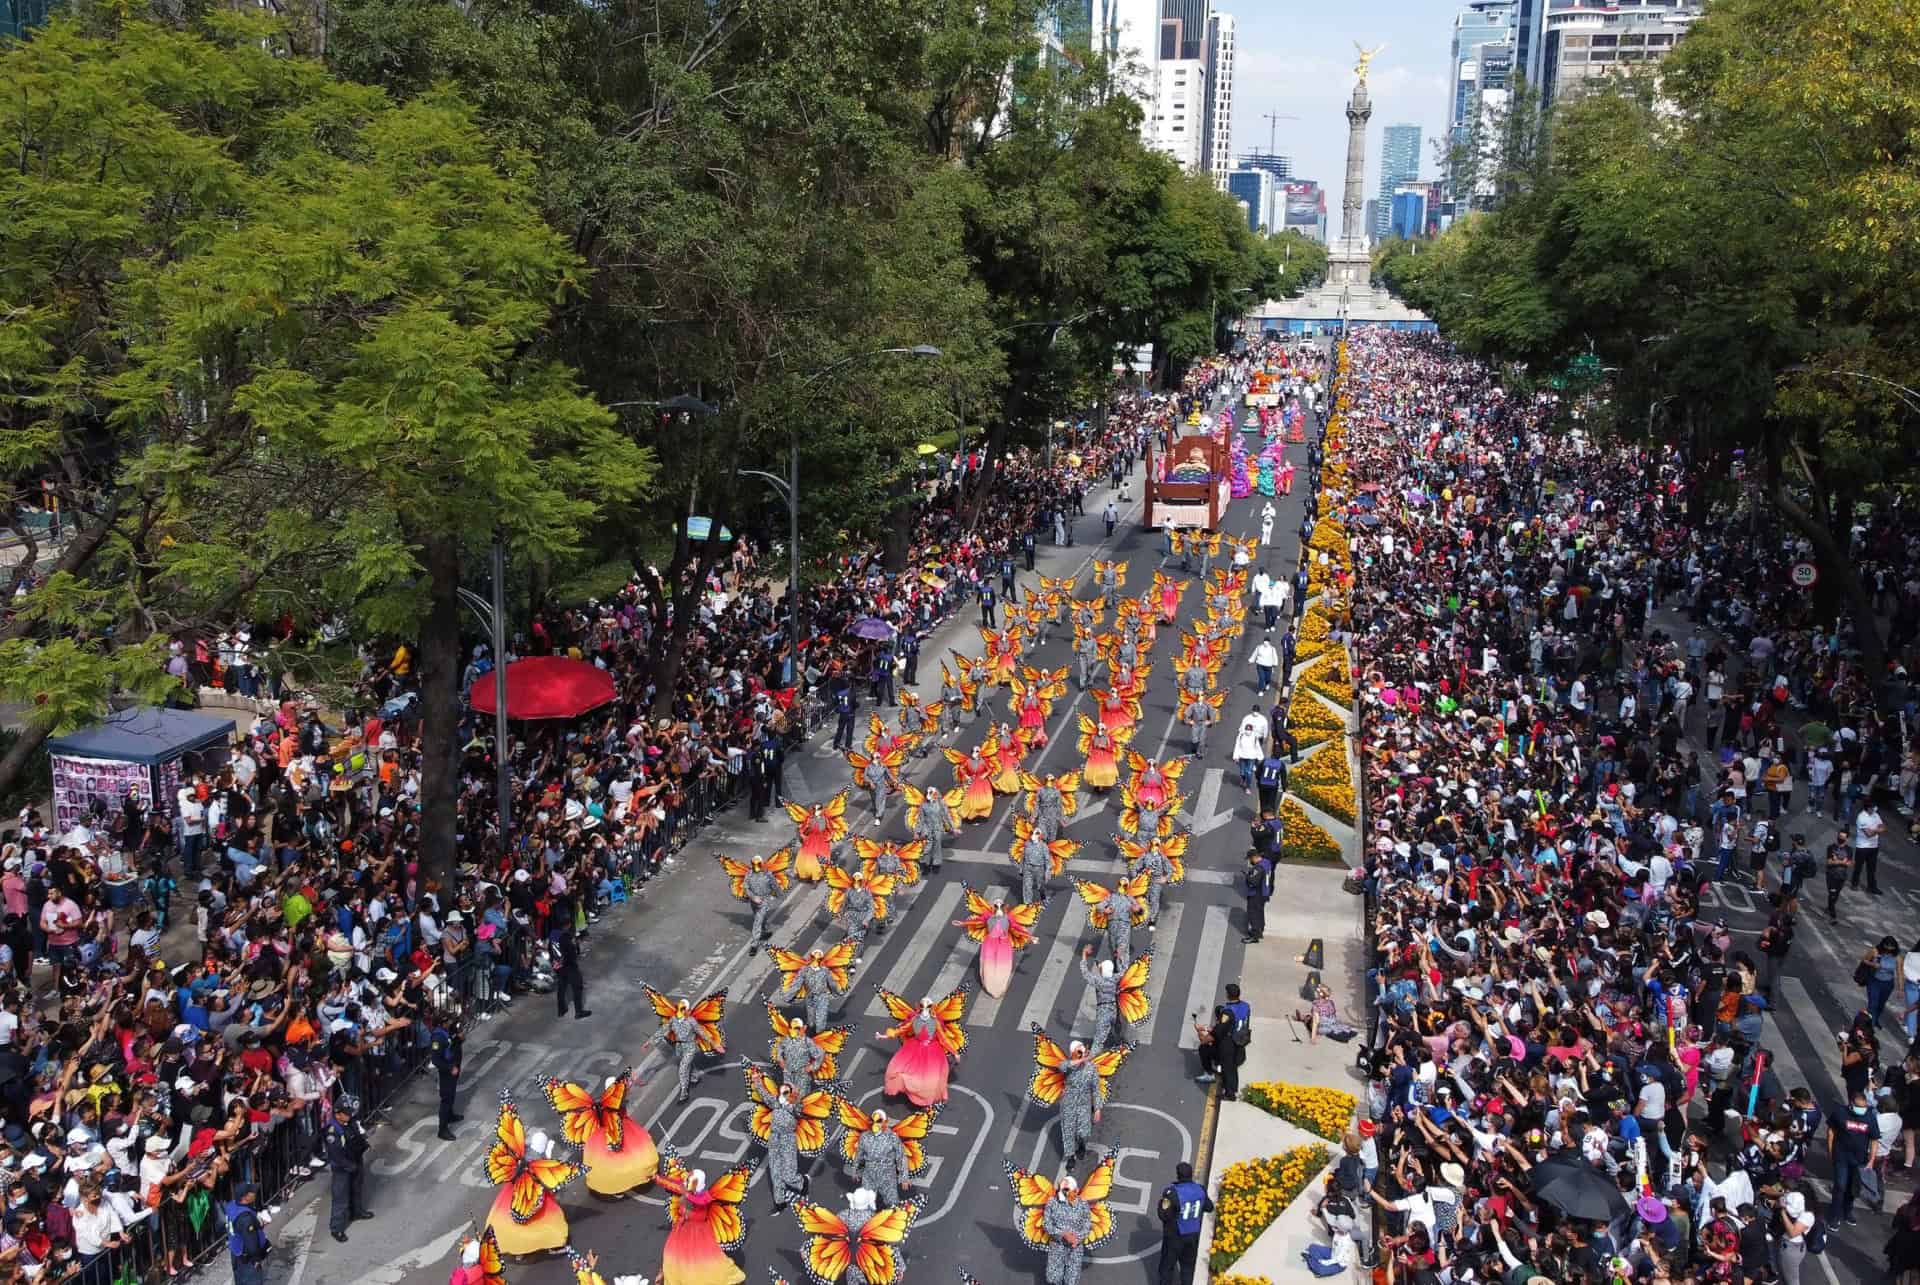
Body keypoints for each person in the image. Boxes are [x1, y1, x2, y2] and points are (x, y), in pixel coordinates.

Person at [1155, 1161, 1211, 1285]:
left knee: (1166, 1268)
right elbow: (1209, 1207)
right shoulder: (1200, 1190)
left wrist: (1161, 1204)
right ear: (1191, 1174)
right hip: (1193, 1237)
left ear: (1178, 1175)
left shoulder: (1172, 1193)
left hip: (1175, 1237)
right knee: (1187, 1269)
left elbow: (1164, 1215)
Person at [1829, 1085, 1879, 1227]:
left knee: (1853, 1188)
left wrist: (1871, 1160)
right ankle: (1835, 1215)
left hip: (1859, 1160)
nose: (1862, 1110)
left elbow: (1875, 1140)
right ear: (1851, 1104)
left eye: (1864, 1107)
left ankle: (1847, 1210)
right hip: (1841, 1157)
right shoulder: (1840, 1113)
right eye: (1859, 1106)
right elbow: (1831, 1132)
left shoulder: (1870, 1117)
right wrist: (1831, 1151)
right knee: (1840, 1186)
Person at [325, 1095, 372, 1243]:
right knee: (341, 1198)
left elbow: (356, 1136)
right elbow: (336, 1155)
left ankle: (356, 1212)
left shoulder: (350, 1122)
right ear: (338, 1113)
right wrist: (349, 1166)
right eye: (347, 1113)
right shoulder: (333, 1131)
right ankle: (337, 1228)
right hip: (342, 1167)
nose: (350, 1115)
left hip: (355, 1160)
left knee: (356, 1189)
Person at [1192, 1000, 1243, 1100]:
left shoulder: (1219, 1030)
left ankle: (1209, 1074)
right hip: (1236, 1054)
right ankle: (1231, 1090)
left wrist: (1198, 1031)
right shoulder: (1231, 1025)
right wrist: (1206, 1029)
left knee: (1203, 1048)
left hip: (1223, 1054)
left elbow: (1204, 1040)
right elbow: (1215, 1029)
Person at [225, 1182, 272, 1285]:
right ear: (245, 1197)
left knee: (240, 1280)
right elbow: (251, 1242)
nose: (255, 1193)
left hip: (236, 1252)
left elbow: (237, 1228)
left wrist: (259, 1223)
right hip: (247, 1258)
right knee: (252, 1281)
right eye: (252, 1192)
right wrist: (256, 1259)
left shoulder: (231, 1205)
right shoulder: (246, 1219)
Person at [431, 1020, 463, 1141]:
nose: (452, 1022)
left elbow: (452, 1044)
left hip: (454, 1067)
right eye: (449, 1020)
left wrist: (459, 1038)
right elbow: (436, 1060)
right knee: (446, 1098)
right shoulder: (438, 1037)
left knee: (452, 1094)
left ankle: (450, 1115)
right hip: (447, 1071)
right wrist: (450, 1068)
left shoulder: (448, 1030)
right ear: (442, 1022)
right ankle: (442, 1129)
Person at [553, 920, 590, 1020]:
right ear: (567, 925)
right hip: (569, 965)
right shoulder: (566, 936)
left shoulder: (553, 934)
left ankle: (561, 1010)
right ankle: (579, 1012)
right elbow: (572, 951)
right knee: (577, 987)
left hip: (557, 965)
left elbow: (550, 949)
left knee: (561, 987)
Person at [1851, 800, 1885, 894]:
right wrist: (1878, 830)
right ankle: (1854, 883)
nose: (1875, 809)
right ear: (1868, 808)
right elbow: (1868, 834)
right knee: (1858, 867)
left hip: (1874, 846)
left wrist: (1874, 830)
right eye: (1873, 807)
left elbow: (1883, 827)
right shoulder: (1861, 817)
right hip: (1862, 846)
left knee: (1872, 868)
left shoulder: (1876, 815)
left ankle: (1872, 887)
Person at [1231, 707, 1269, 792]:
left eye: (1249, 730)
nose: (1248, 731)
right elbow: (1237, 746)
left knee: (1249, 772)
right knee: (1242, 772)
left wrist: (1260, 757)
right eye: (1247, 730)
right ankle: (1243, 779)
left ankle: (1247, 787)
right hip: (1242, 756)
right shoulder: (1241, 736)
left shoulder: (1255, 737)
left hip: (1251, 757)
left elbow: (1258, 747)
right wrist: (1235, 756)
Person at [1242, 848, 1273, 944]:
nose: (1250, 861)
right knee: (1259, 912)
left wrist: (1247, 876)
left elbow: (1254, 882)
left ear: (1254, 857)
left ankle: (1255, 936)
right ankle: (1260, 929)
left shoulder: (1258, 868)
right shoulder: (1266, 863)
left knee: (1253, 914)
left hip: (1256, 894)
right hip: (1264, 893)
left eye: (1250, 859)